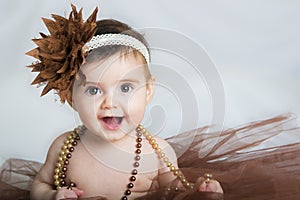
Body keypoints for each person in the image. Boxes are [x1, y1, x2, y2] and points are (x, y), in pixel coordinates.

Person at [28, 5, 223, 200]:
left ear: (148, 91)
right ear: (72, 99)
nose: (110, 103)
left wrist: (198, 192)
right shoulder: (64, 147)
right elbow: (40, 184)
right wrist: (52, 195)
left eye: (125, 88)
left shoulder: (156, 152)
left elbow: (176, 190)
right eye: (94, 90)